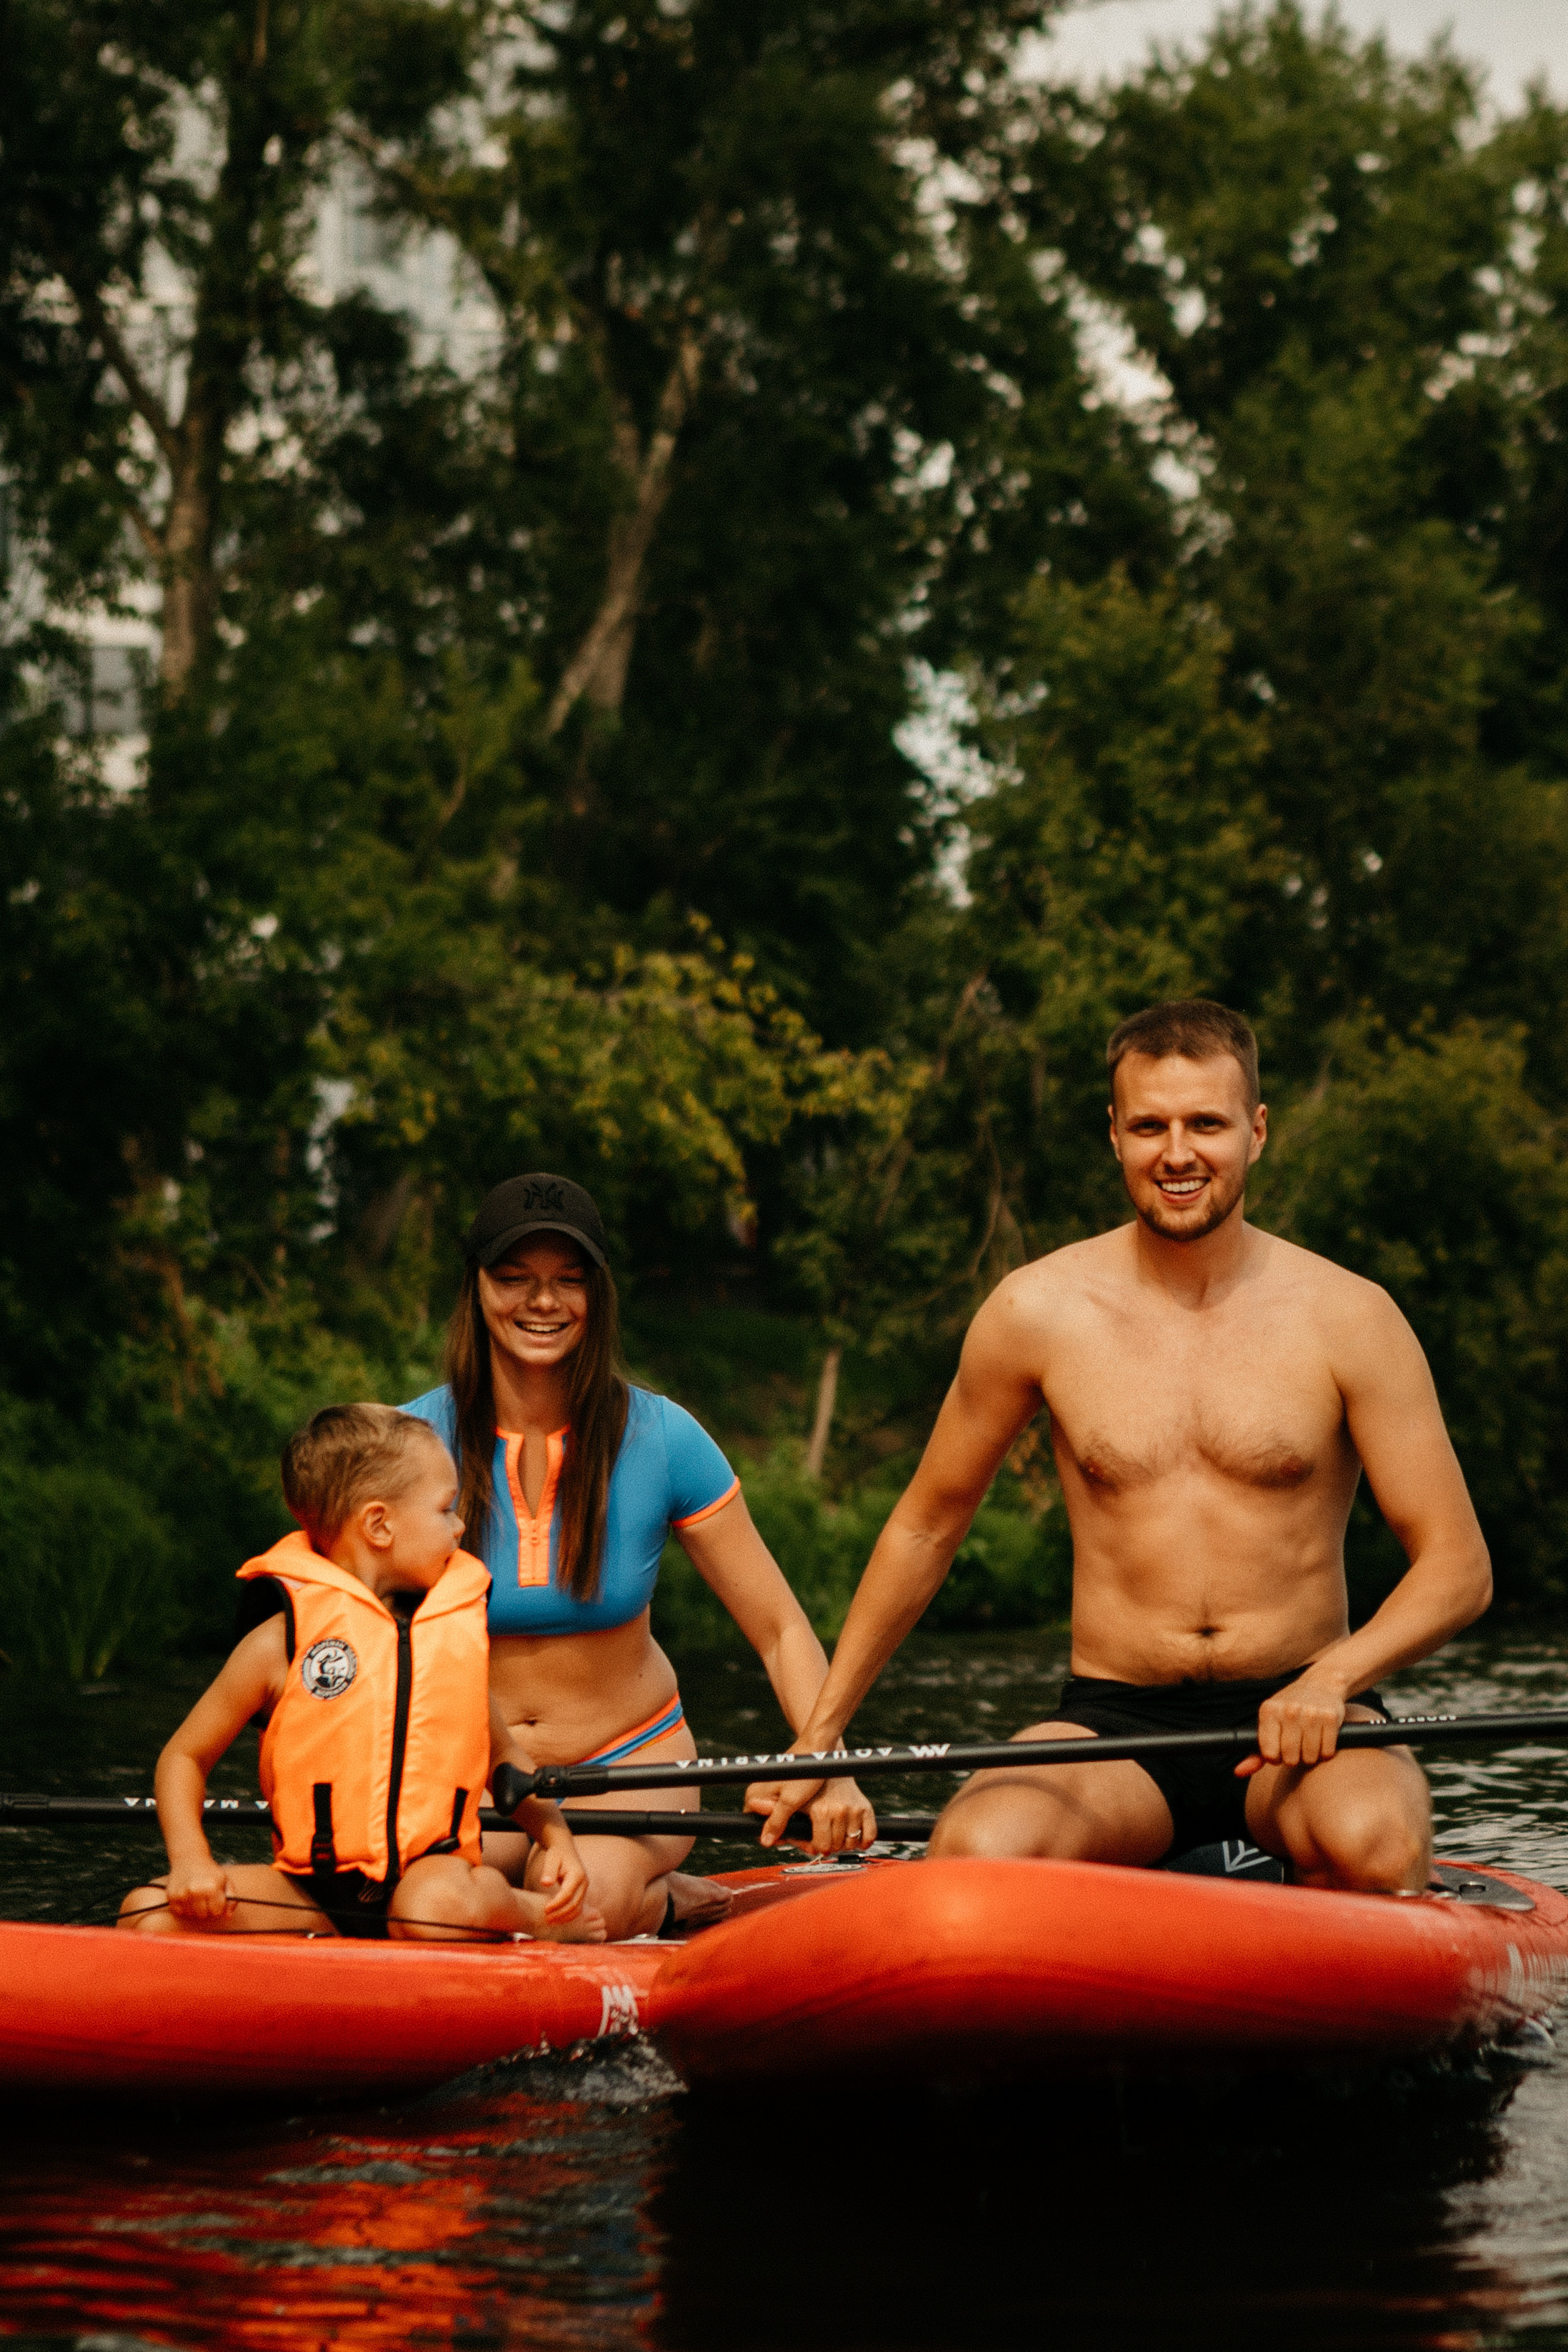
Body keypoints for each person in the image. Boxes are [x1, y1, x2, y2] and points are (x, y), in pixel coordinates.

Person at [748, 1001, 1493, 1893]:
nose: (1177, 1153)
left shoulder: (1351, 1317)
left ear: (1255, 1132)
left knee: (1375, 1842)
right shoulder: (1036, 1311)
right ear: (1114, 1135)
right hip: (1115, 1728)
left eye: (1205, 1124)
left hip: (1309, 1718)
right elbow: (925, 1527)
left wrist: (1335, 1675)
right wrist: (819, 1738)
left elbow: (1457, 1566)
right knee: (977, 1851)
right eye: (1150, 1125)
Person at [402, 1173, 873, 1941]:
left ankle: (649, 1897)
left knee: (581, 1908)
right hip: (476, 1777)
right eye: (514, 1278)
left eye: (567, 1281)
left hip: (626, 1768)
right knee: (435, 1916)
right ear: (476, 1288)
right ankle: (615, 1893)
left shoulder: (665, 1436)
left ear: (598, 1295)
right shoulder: (406, 1444)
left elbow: (780, 1628)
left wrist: (831, 1768)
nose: (541, 1302)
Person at [120, 1403, 601, 1941]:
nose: (459, 1525)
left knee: (435, 1905)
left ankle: (536, 1917)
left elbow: (503, 1757)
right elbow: (184, 1756)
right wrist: (191, 1861)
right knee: (146, 1911)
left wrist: (556, 1838)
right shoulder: (279, 1641)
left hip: (430, 1878)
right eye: (445, 1508)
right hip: (314, 1892)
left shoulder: (446, 1634)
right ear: (379, 1524)